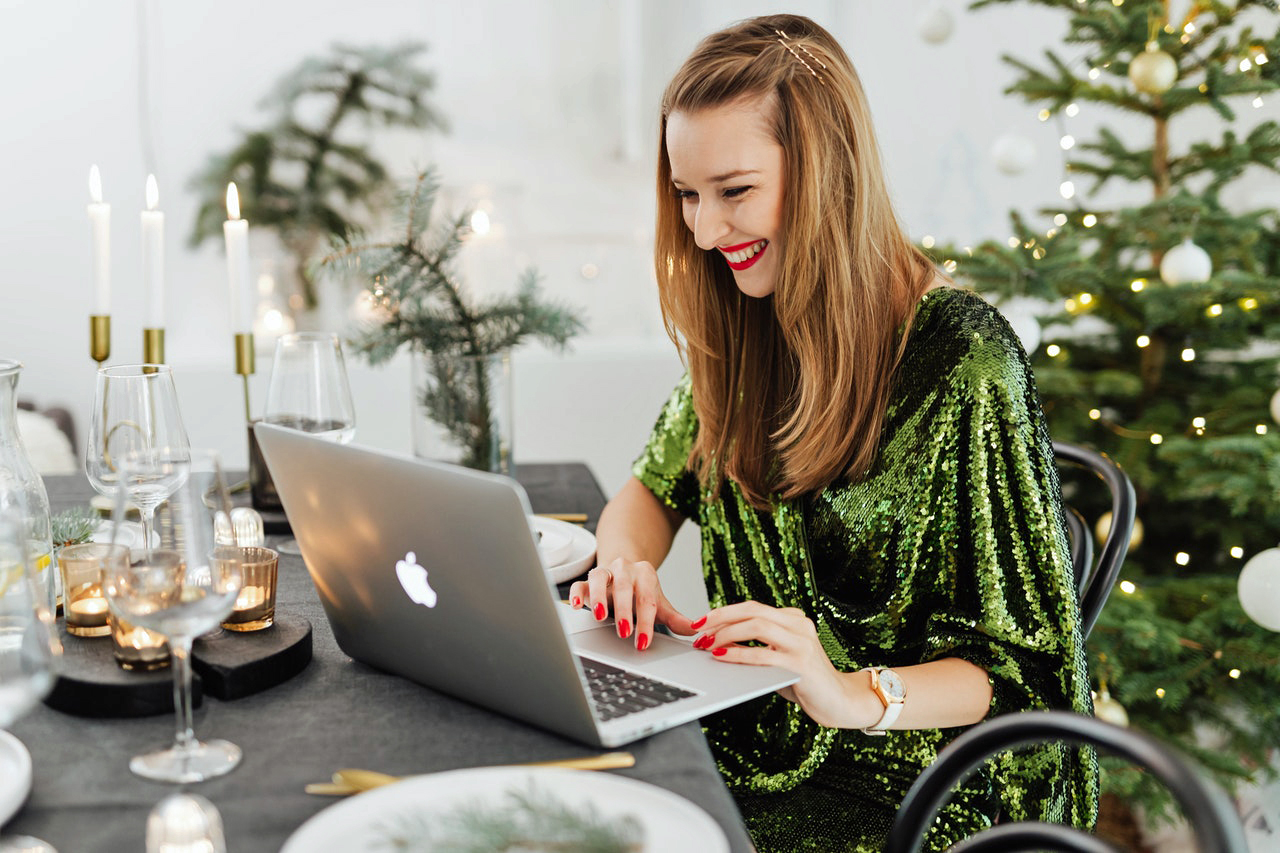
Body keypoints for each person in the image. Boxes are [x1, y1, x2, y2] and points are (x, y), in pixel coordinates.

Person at [567, 12, 1098, 852]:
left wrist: (850, 690)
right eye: (687, 196)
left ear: (826, 172)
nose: (705, 232)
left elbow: (1018, 679)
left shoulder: (964, 360)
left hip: (916, 769)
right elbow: (647, 491)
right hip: (760, 726)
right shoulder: (749, 324)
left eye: (735, 191)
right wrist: (626, 563)